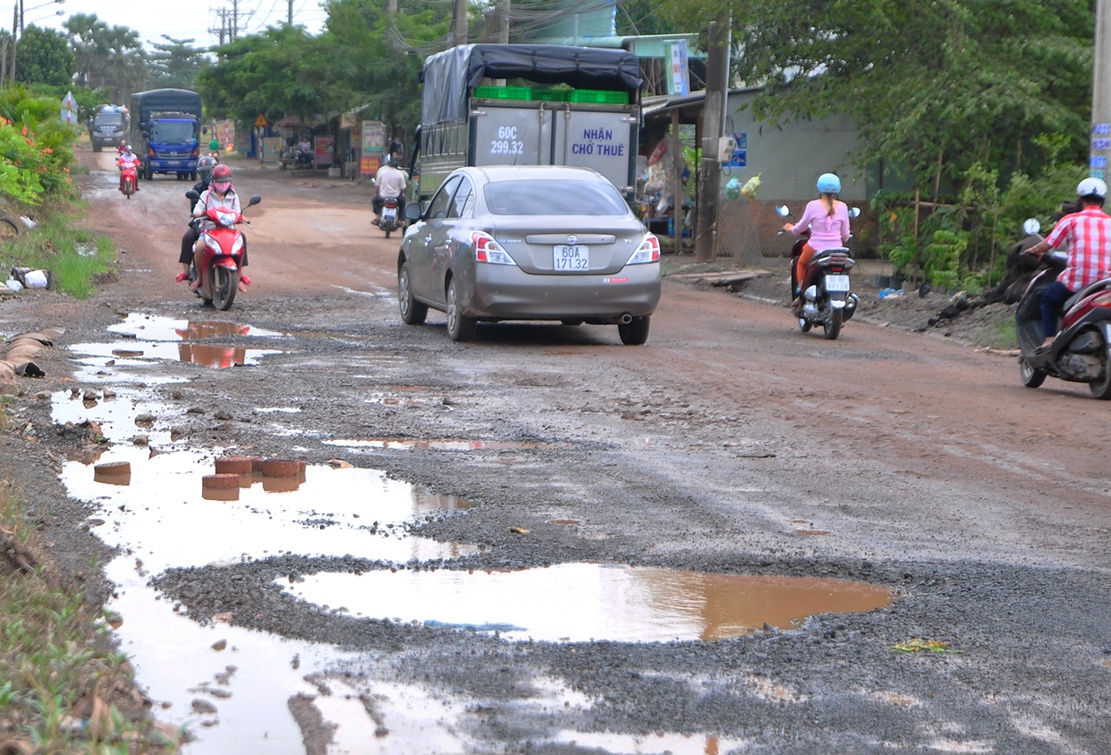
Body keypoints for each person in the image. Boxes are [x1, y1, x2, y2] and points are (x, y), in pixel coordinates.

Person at [1027, 177, 1111, 351]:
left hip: (1076, 281)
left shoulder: (1071, 220)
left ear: (1081, 199)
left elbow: (1048, 244)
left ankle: (1049, 339)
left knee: (1048, 300)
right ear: (1102, 201)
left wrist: (1034, 250)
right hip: (1103, 283)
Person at [783, 173, 851, 309]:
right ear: (838, 189)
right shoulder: (843, 207)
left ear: (819, 188)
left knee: (801, 263)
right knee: (845, 268)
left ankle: (801, 294)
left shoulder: (813, 205)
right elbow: (845, 235)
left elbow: (801, 227)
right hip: (836, 250)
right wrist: (844, 237)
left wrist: (791, 228)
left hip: (815, 249)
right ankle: (846, 294)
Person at [188, 164, 252, 292]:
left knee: (241, 241)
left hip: (229, 231)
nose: (223, 184)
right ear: (213, 181)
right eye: (219, 181)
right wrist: (200, 213)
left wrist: (241, 217)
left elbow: (237, 212)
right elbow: (197, 209)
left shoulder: (234, 197)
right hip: (209, 230)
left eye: (226, 181)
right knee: (200, 247)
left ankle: (239, 275)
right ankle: (200, 278)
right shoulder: (206, 195)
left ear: (230, 181)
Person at [176, 156, 218, 282]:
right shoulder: (197, 189)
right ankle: (186, 271)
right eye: (203, 172)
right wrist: (201, 214)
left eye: (209, 171)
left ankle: (240, 273)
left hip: (221, 223)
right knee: (188, 238)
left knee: (239, 239)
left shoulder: (226, 188)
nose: (207, 174)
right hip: (202, 222)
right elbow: (194, 210)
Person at [372, 157, 407, 223]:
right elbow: (403, 188)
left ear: (388, 165)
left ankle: (378, 215)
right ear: (397, 166)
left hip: (383, 196)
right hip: (396, 196)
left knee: (374, 200)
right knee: (403, 204)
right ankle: (400, 220)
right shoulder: (400, 174)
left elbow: (377, 186)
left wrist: (375, 193)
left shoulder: (382, 172)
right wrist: (402, 192)